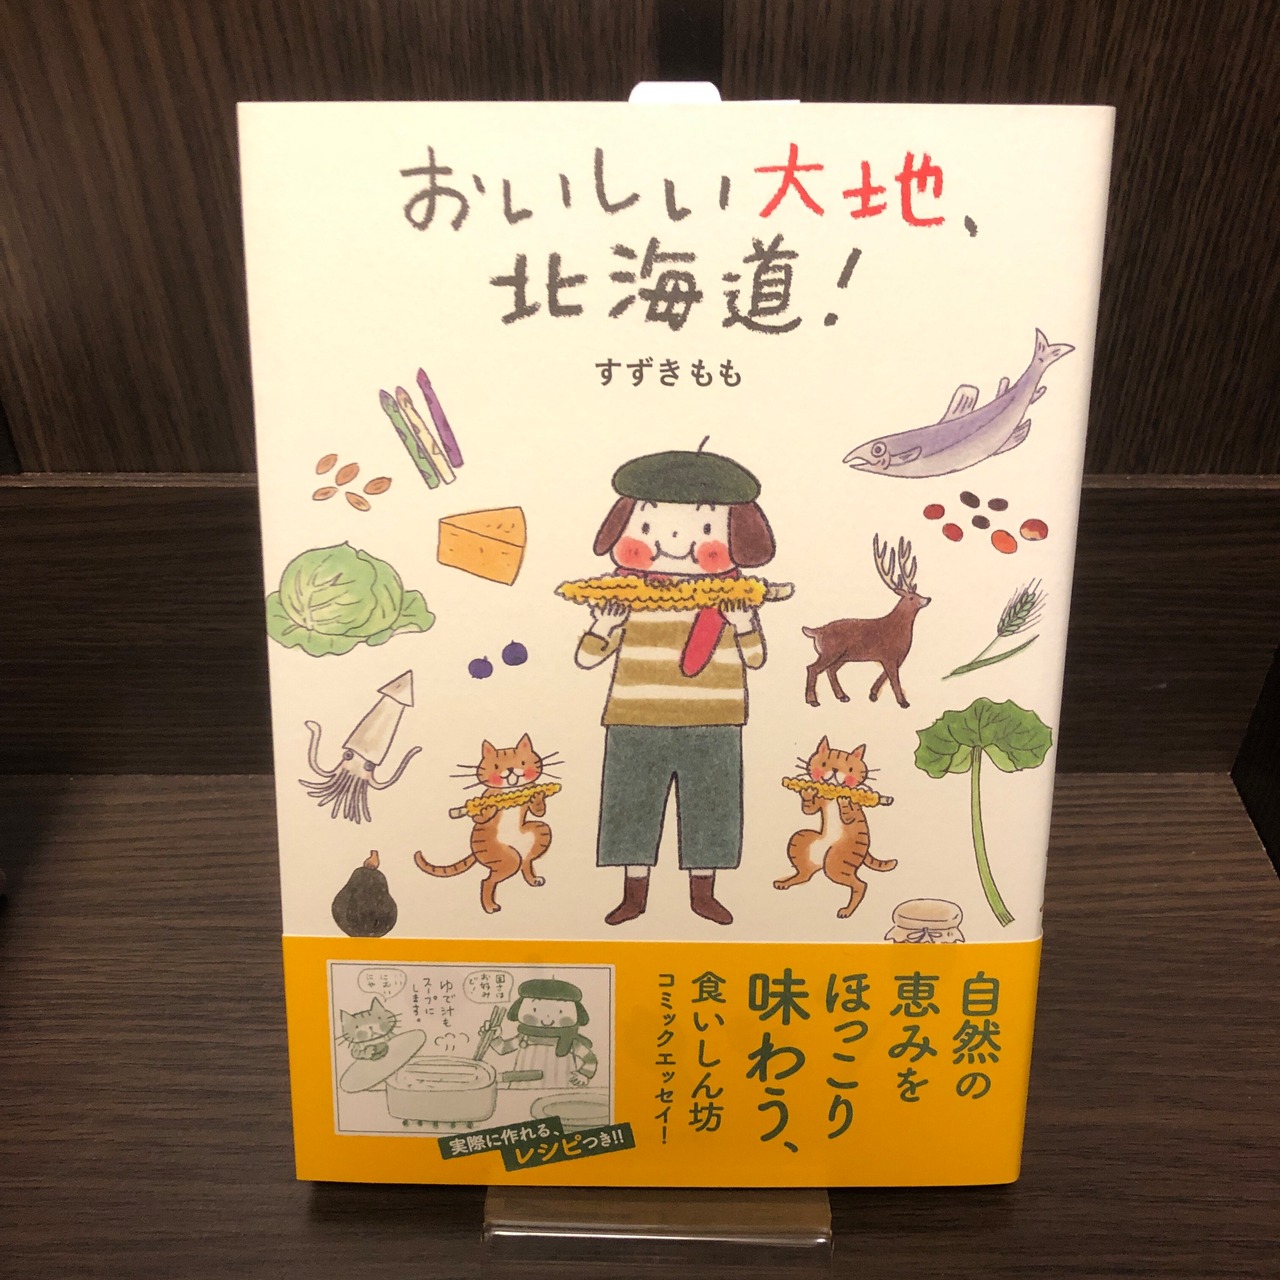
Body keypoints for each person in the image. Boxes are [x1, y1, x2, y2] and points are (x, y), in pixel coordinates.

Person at [574, 445, 779, 926]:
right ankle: (634, 894)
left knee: (712, 808)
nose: (672, 542)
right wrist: (605, 623)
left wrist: (744, 622)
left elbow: (755, 658)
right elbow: (586, 658)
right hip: (633, 716)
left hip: (715, 717)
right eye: (647, 526)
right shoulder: (627, 593)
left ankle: (703, 893)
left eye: (705, 530)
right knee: (631, 806)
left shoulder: (730, 597)